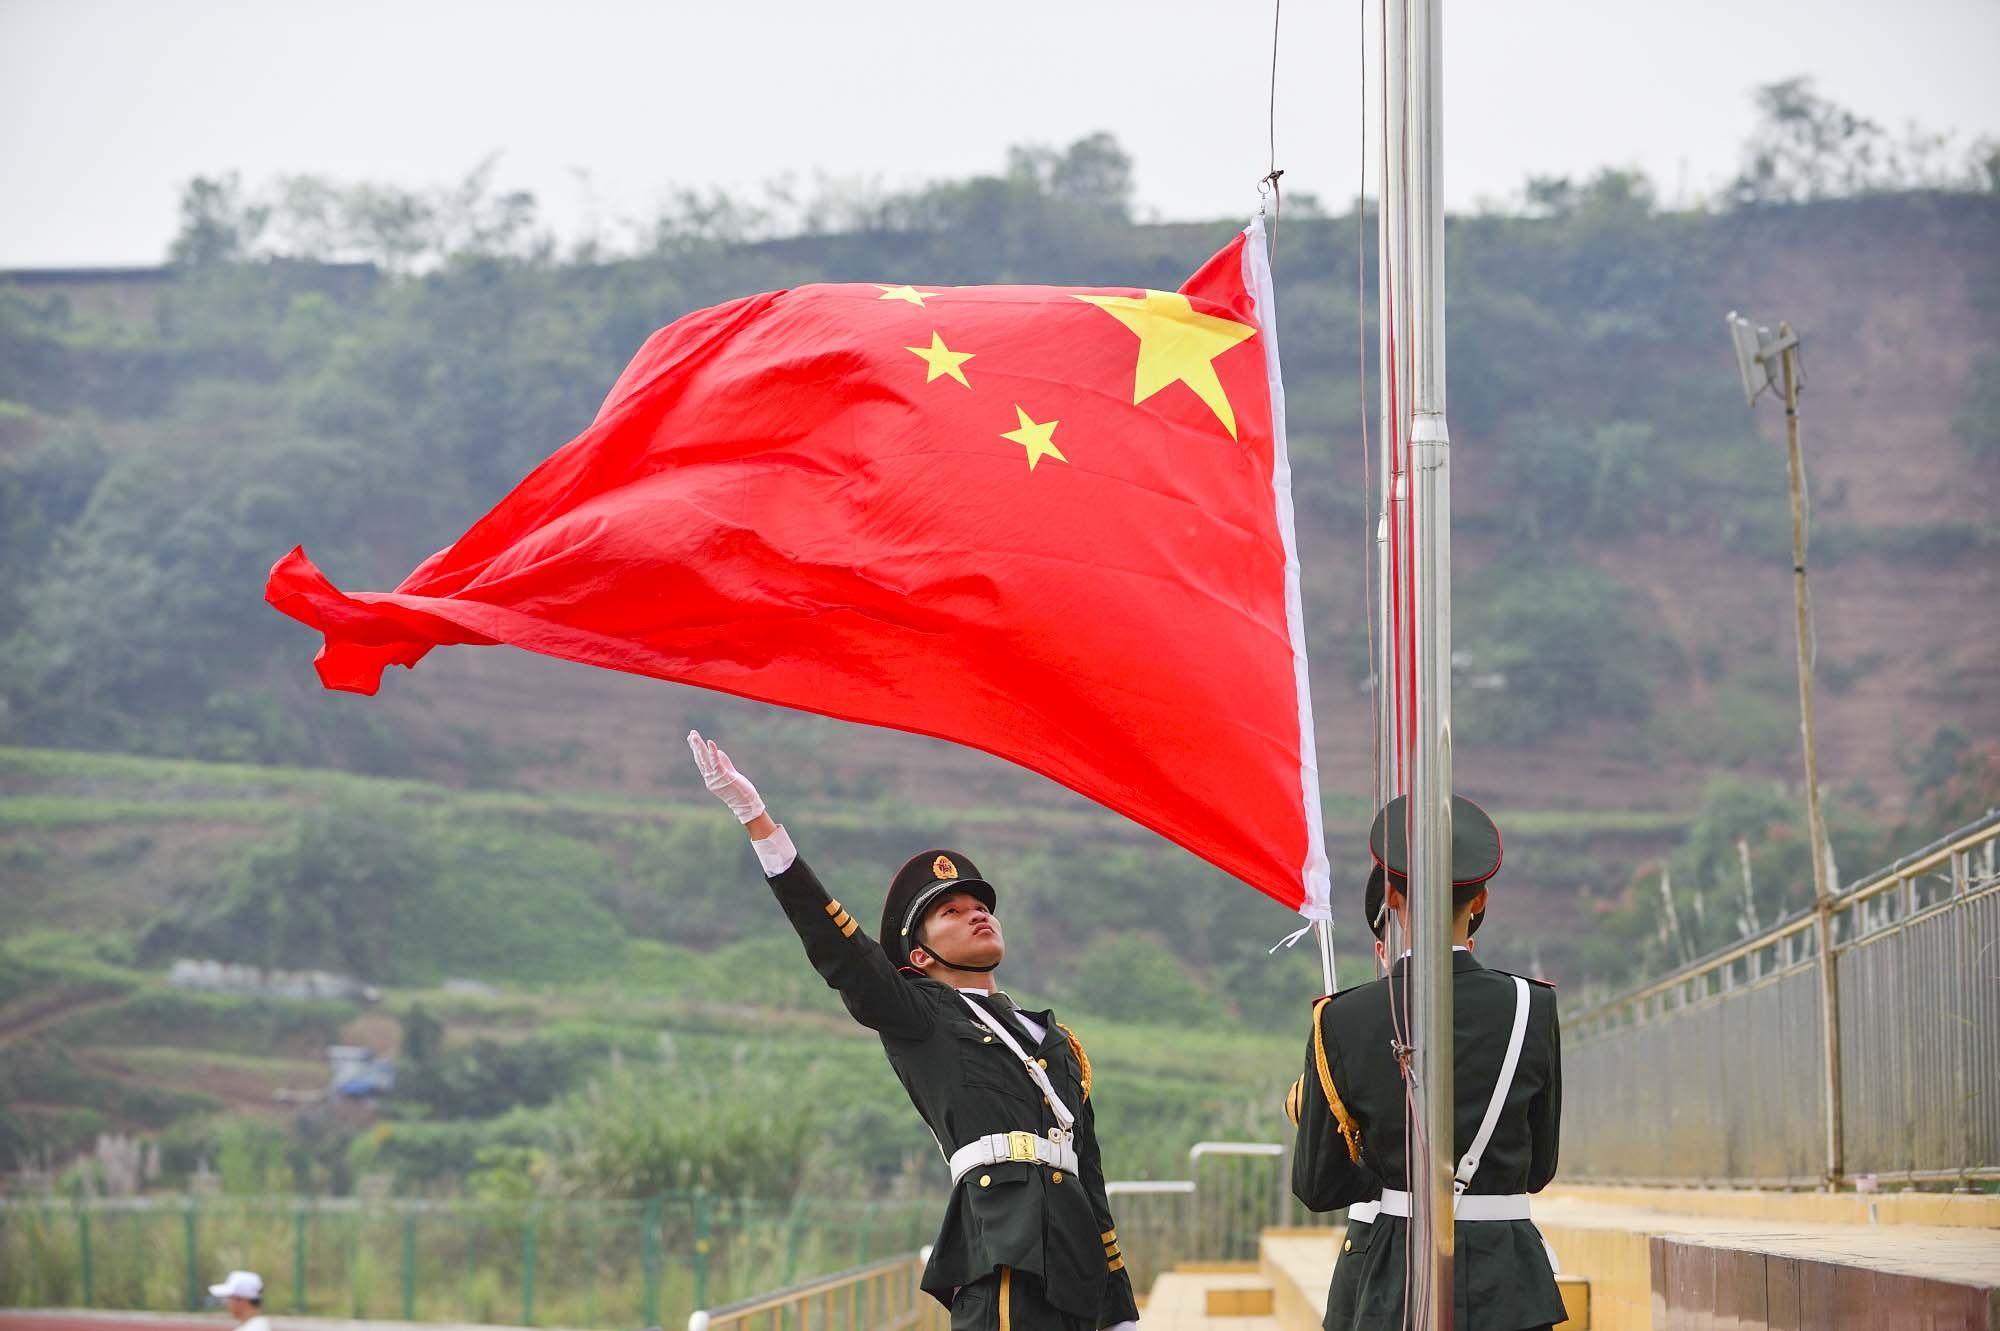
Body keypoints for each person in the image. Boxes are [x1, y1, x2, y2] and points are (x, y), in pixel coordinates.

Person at [688, 731, 1140, 1331]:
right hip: (1001, 1257)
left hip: (1077, 1274)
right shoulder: (921, 1015)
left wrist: (1122, 1312)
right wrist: (758, 820)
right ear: (920, 956)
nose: (977, 912)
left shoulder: (1052, 1041)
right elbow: (842, 951)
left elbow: (1092, 1180)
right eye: (950, 911)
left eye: (980, 905)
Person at [1289, 796, 1565, 1331]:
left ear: (1390, 896)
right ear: (1481, 899)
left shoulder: (1343, 1019)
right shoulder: (1534, 1006)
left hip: (1397, 1274)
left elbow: (1317, 1186)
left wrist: (1380, 1163)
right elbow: (1539, 1168)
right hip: (1508, 1279)